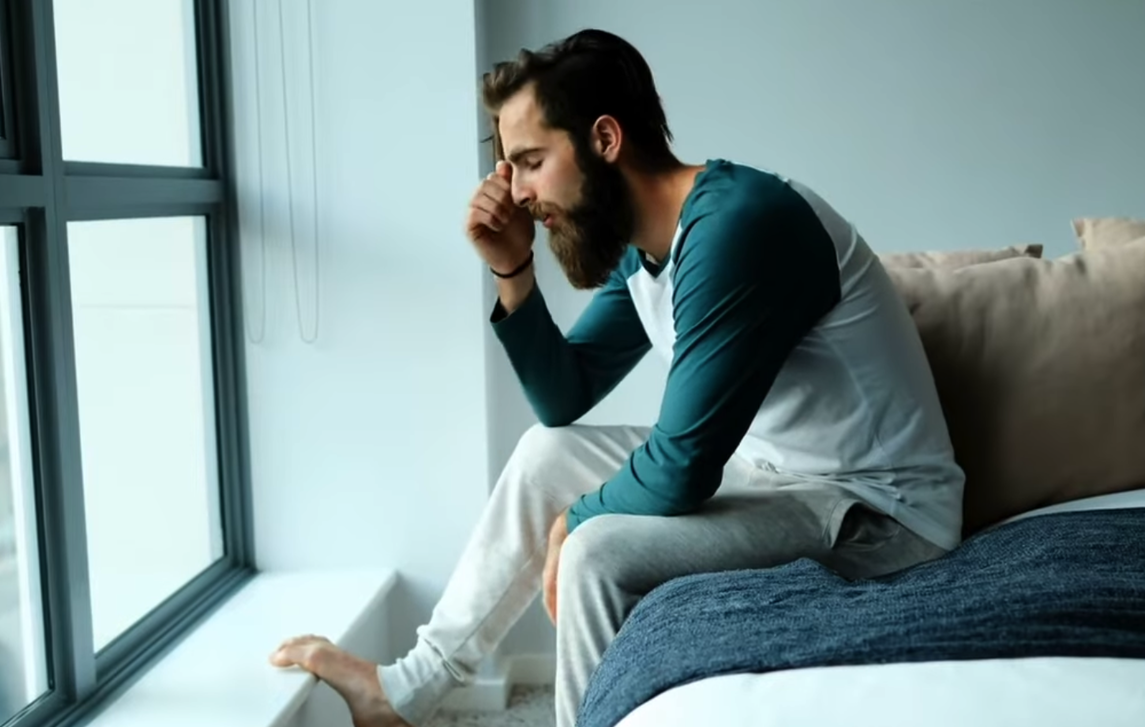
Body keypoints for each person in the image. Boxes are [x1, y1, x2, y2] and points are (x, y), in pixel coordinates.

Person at [268, 28, 965, 727]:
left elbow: (682, 466)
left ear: (604, 139)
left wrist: (575, 519)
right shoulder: (648, 246)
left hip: (878, 512)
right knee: (545, 455)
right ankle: (406, 692)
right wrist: (512, 270)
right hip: (773, 473)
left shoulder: (738, 227)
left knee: (594, 551)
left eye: (531, 161)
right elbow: (564, 396)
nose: (517, 193)